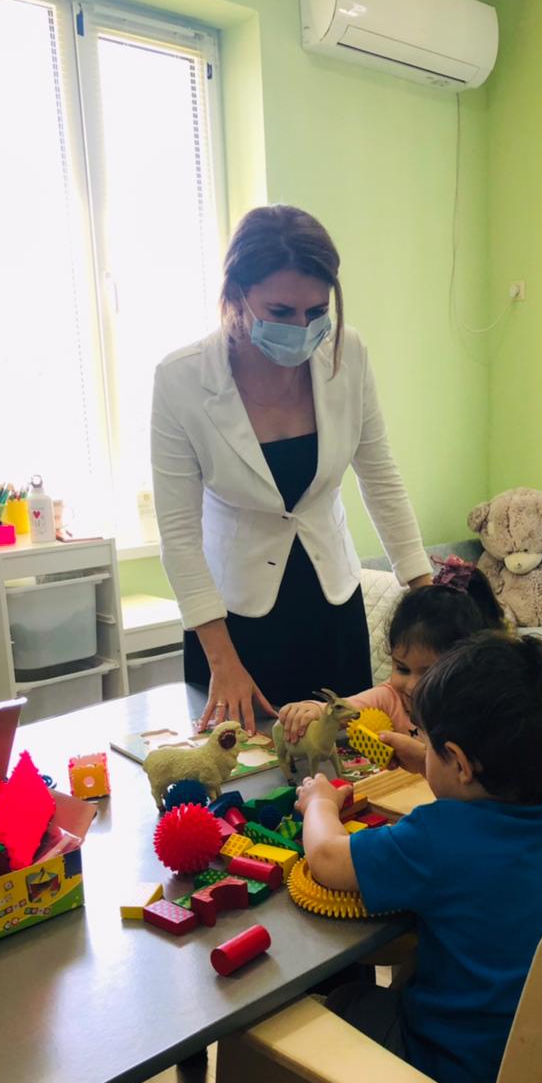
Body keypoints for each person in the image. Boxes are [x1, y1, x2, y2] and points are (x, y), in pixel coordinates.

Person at [151, 205, 431, 734]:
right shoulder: (181, 379)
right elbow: (180, 537)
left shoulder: (347, 354)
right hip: (234, 624)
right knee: (246, 769)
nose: (302, 329)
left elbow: (380, 476)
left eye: (316, 311)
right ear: (236, 294)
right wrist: (223, 664)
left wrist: (426, 596)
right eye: (280, 310)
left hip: (331, 602)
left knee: (345, 759)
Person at [295, 630, 542, 1083]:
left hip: (449, 1073)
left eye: (427, 742)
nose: (422, 748)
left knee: (348, 1001)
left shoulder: (437, 837)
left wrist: (319, 803)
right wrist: (427, 763)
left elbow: (327, 858)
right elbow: (481, 802)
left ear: (459, 762)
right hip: (525, 1062)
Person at [278, 555, 504, 772]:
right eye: (402, 669)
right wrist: (313, 710)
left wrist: (423, 759)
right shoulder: (390, 697)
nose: (411, 686)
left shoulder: (477, 712)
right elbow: (344, 708)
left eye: (428, 674)